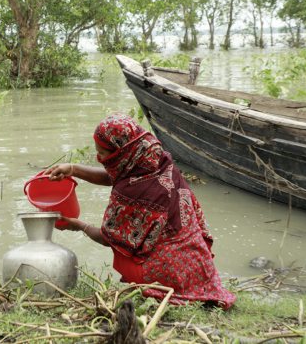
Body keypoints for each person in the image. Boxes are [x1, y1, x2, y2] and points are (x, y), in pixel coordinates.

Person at [45, 113, 236, 309]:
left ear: (120, 155)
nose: (99, 158)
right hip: (198, 265)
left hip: (173, 274)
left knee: (123, 250)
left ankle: (155, 284)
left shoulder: (132, 191)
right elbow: (117, 175)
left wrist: (78, 225)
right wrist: (73, 169)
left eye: (102, 154)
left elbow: (108, 238)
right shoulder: (154, 160)